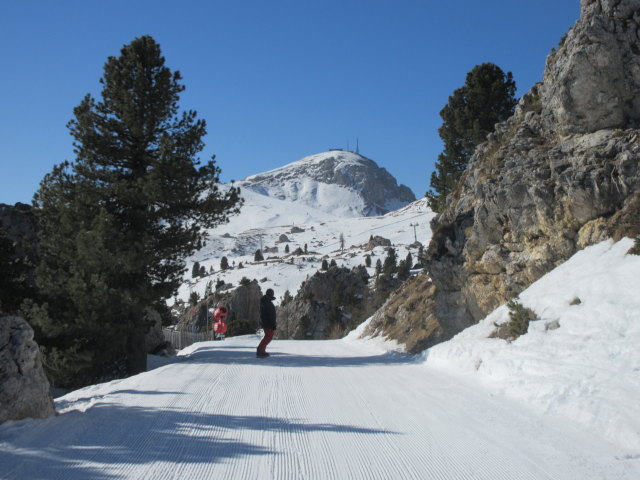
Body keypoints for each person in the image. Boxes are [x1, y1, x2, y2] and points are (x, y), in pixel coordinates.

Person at [257, 288, 276, 358]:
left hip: (266, 322)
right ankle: (260, 350)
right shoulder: (267, 302)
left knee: (268, 336)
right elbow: (270, 314)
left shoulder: (265, 301)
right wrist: (273, 324)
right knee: (269, 336)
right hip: (268, 323)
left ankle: (262, 350)